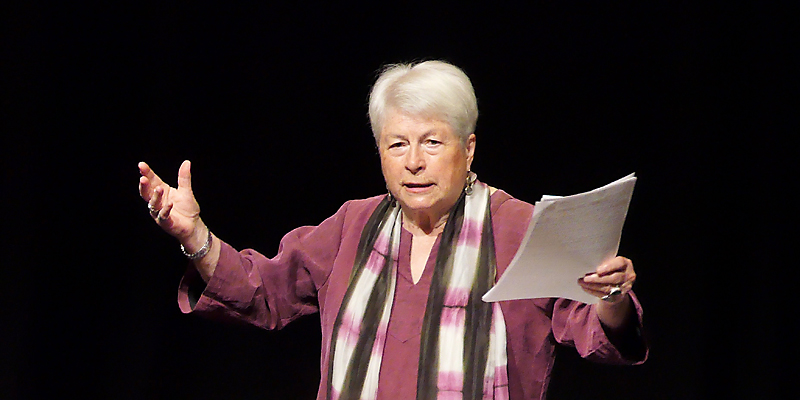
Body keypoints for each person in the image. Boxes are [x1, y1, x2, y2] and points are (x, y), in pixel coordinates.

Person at [138, 60, 647, 400]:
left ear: (468, 149)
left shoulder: (517, 228)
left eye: (432, 142)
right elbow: (261, 292)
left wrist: (612, 294)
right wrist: (195, 235)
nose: (414, 162)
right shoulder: (352, 226)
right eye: (397, 144)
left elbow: (597, 330)